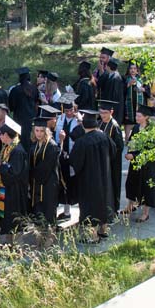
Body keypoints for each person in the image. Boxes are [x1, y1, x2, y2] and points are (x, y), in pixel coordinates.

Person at [69, 111, 113, 241]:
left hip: (89, 180)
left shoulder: (82, 142)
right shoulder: (104, 137)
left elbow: (74, 161)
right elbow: (114, 151)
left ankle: (93, 237)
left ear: (83, 126)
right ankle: (103, 230)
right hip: (104, 177)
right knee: (104, 202)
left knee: (90, 205)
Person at [124, 105, 155, 221]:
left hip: (149, 163)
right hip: (136, 162)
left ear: (146, 117)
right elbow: (131, 142)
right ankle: (129, 206)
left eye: (139, 116)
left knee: (147, 186)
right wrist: (129, 153)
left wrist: (134, 155)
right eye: (136, 115)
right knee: (131, 182)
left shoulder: (153, 130)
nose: (136, 118)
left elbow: (151, 149)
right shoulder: (136, 128)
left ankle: (145, 213)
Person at [28, 118, 61, 227]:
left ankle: (50, 239)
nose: (38, 133)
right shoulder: (35, 144)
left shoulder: (52, 146)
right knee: (38, 210)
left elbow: (45, 167)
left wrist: (31, 173)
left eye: (41, 131)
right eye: (36, 130)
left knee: (48, 209)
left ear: (46, 131)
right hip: (37, 183)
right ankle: (40, 237)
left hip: (48, 183)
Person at [97, 101, 126, 215]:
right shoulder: (100, 123)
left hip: (112, 162)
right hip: (103, 161)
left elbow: (119, 147)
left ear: (111, 112)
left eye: (105, 113)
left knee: (113, 184)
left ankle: (113, 210)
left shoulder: (114, 126)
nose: (103, 115)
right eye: (101, 113)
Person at [7, 68, 39, 148]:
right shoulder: (34, 89)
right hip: (31, 121)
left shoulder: (15, 90)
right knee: (29, 141)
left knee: (18, 141)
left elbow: (11, 107)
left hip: (18, 120)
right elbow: (36, 103)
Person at [122, 62, 145, 137]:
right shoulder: (124, 78)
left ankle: (138, 137)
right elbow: (121, 90)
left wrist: (142, 89)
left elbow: (147, 90)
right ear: (128, 70)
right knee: (128, 122)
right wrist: (128, 84)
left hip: (139, 103)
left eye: (135, 68)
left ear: (137, 70)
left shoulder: (141, 79)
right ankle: (126, 139)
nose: (133, 70)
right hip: (128, 105)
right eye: (131, 68)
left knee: (138, 120)